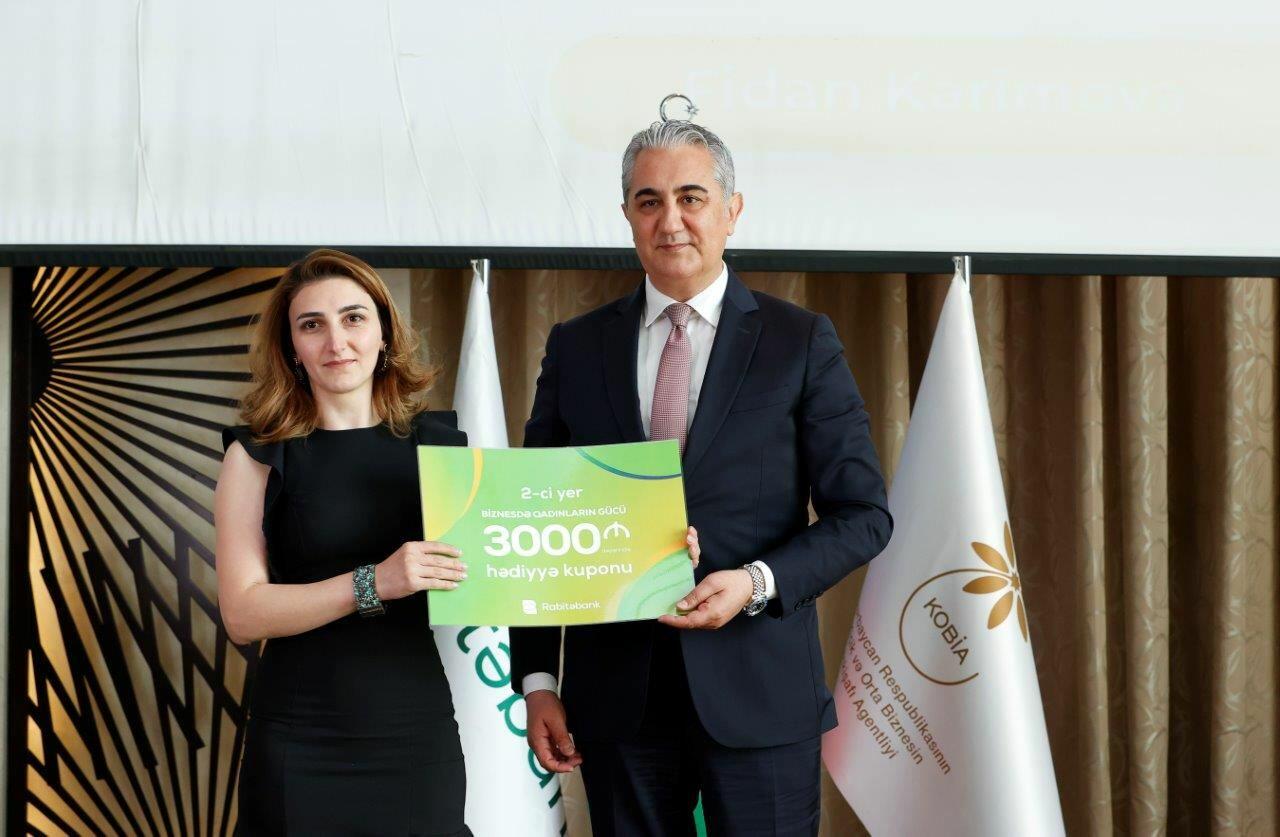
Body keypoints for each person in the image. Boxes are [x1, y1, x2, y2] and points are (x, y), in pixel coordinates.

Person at [509, 122, 893, 836]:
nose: (671, 220)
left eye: (691, 197)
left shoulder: (799, 341)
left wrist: (755, 582)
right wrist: (537, 681)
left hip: (759, 693)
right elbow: (534, 519)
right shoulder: (576, 346)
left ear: (731, 210)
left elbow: (864, 515)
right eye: (648, 201)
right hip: (617, 699)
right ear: (627, 215)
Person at [214, 249, 471, 835]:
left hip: (416, 735)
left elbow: (508, 567)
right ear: (291, 347)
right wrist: (376, 582)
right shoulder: (255, 457)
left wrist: (639, 561)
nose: (337, 342)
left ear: (384, 333)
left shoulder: (442, 447)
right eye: (312, 325)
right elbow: (242, 614)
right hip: (301, 737)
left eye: (354, 318)